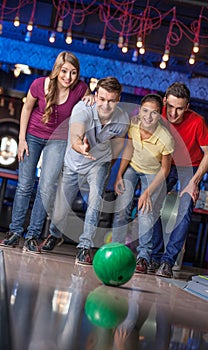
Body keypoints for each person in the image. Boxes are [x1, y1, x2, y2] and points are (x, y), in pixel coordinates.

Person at [0, 51, 91, 253]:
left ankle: (32, 235)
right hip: (32, 136)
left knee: (46, 188)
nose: (68, 77)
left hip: (58, 140)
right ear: (57, 70)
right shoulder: (39, 84)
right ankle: (15, 232)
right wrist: (22, 139)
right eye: (65, 71)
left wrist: (91, 98)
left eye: (74, 73)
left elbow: (88, 104)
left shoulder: (81, 90)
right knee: (24, 186)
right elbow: (26, 110)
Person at [39, 76, 129, 264]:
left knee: (95, 202)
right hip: (74, 162)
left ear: (118, 99)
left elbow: (119, 142)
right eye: (102, 99)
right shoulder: (82, 109)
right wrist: (81, 146)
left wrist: (108, 164)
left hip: (99, 163)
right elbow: (75, 136)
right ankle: (55, 235)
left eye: (111, 101)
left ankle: (84, 246)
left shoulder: (122, 119)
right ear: (96, 96)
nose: (105, 105)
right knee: (60, 210)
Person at [150, 82, 208, 278]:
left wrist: (194, 182)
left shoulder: (197, 122)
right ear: (164, 102)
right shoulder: (155, 114)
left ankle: (167, 262)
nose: (174, 113)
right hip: (166, 164)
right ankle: (155, 256)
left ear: (187, 107)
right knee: (151, 204)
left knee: (184, 210)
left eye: (179, 109)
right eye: (170, 107)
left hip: (190, 167)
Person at [112, 94, 174, 274]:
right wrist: (119, 175)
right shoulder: (132, 124)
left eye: (154, 113)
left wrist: (147, 193)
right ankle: (116, 250)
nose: (148, 116)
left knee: (146, 212)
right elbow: (129, 149)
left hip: (154, 173)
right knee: (121, 209)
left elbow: (165, 170)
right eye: (145, 111)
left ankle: (143, 257)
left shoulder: (166, 137)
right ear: (140, 110)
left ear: (160, 115)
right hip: (133, 167)